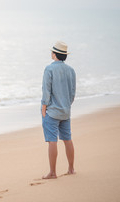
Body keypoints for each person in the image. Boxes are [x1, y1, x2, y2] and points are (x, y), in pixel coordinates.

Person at [41, 41, 76, 179]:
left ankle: (53, 172)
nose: (51, 53)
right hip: (65, 111)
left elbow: (46, 91)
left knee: (52, 140)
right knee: (67, 139)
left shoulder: (49, 69)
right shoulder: (71, 70)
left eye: (52, 51)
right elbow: (72, 93)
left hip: (52, 111)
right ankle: (71, 169)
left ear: (54, 54)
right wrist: (66, 105)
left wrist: (44, 108)